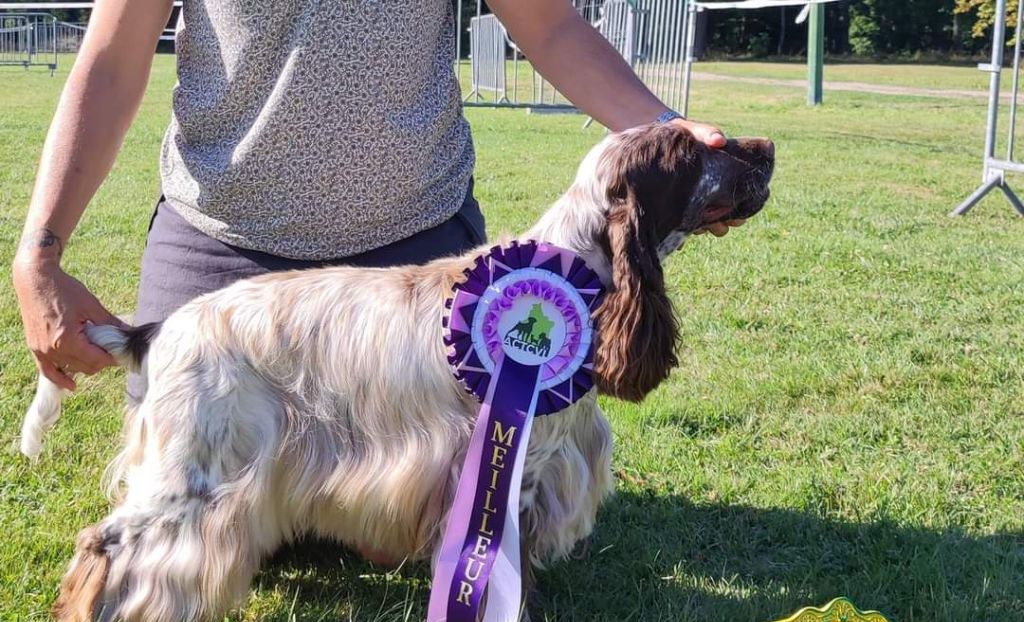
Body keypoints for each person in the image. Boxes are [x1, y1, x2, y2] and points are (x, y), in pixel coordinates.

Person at [14, 0, 743, 401]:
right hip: (222, 248)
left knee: (425, 517)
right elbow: (110, 62)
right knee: (195, 484)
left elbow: (549, 27)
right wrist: (39, 254)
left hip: (413, 257)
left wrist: (667, 131)